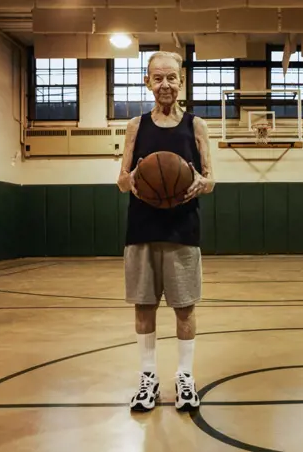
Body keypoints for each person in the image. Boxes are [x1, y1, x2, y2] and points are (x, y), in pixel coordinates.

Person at [116, 51, 214, 412]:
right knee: (144, 305)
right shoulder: (135, 127)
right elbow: (121, 182)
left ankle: (184, 377)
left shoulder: (197, 126)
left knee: (184, 308)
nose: (165, 85)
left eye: (171, 78)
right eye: (157, 78)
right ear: (147, 82)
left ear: (181, 81)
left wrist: (201, 183)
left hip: (183, 228)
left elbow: (211, 179)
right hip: (142, 227)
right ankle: (148, 378)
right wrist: (132, 177)